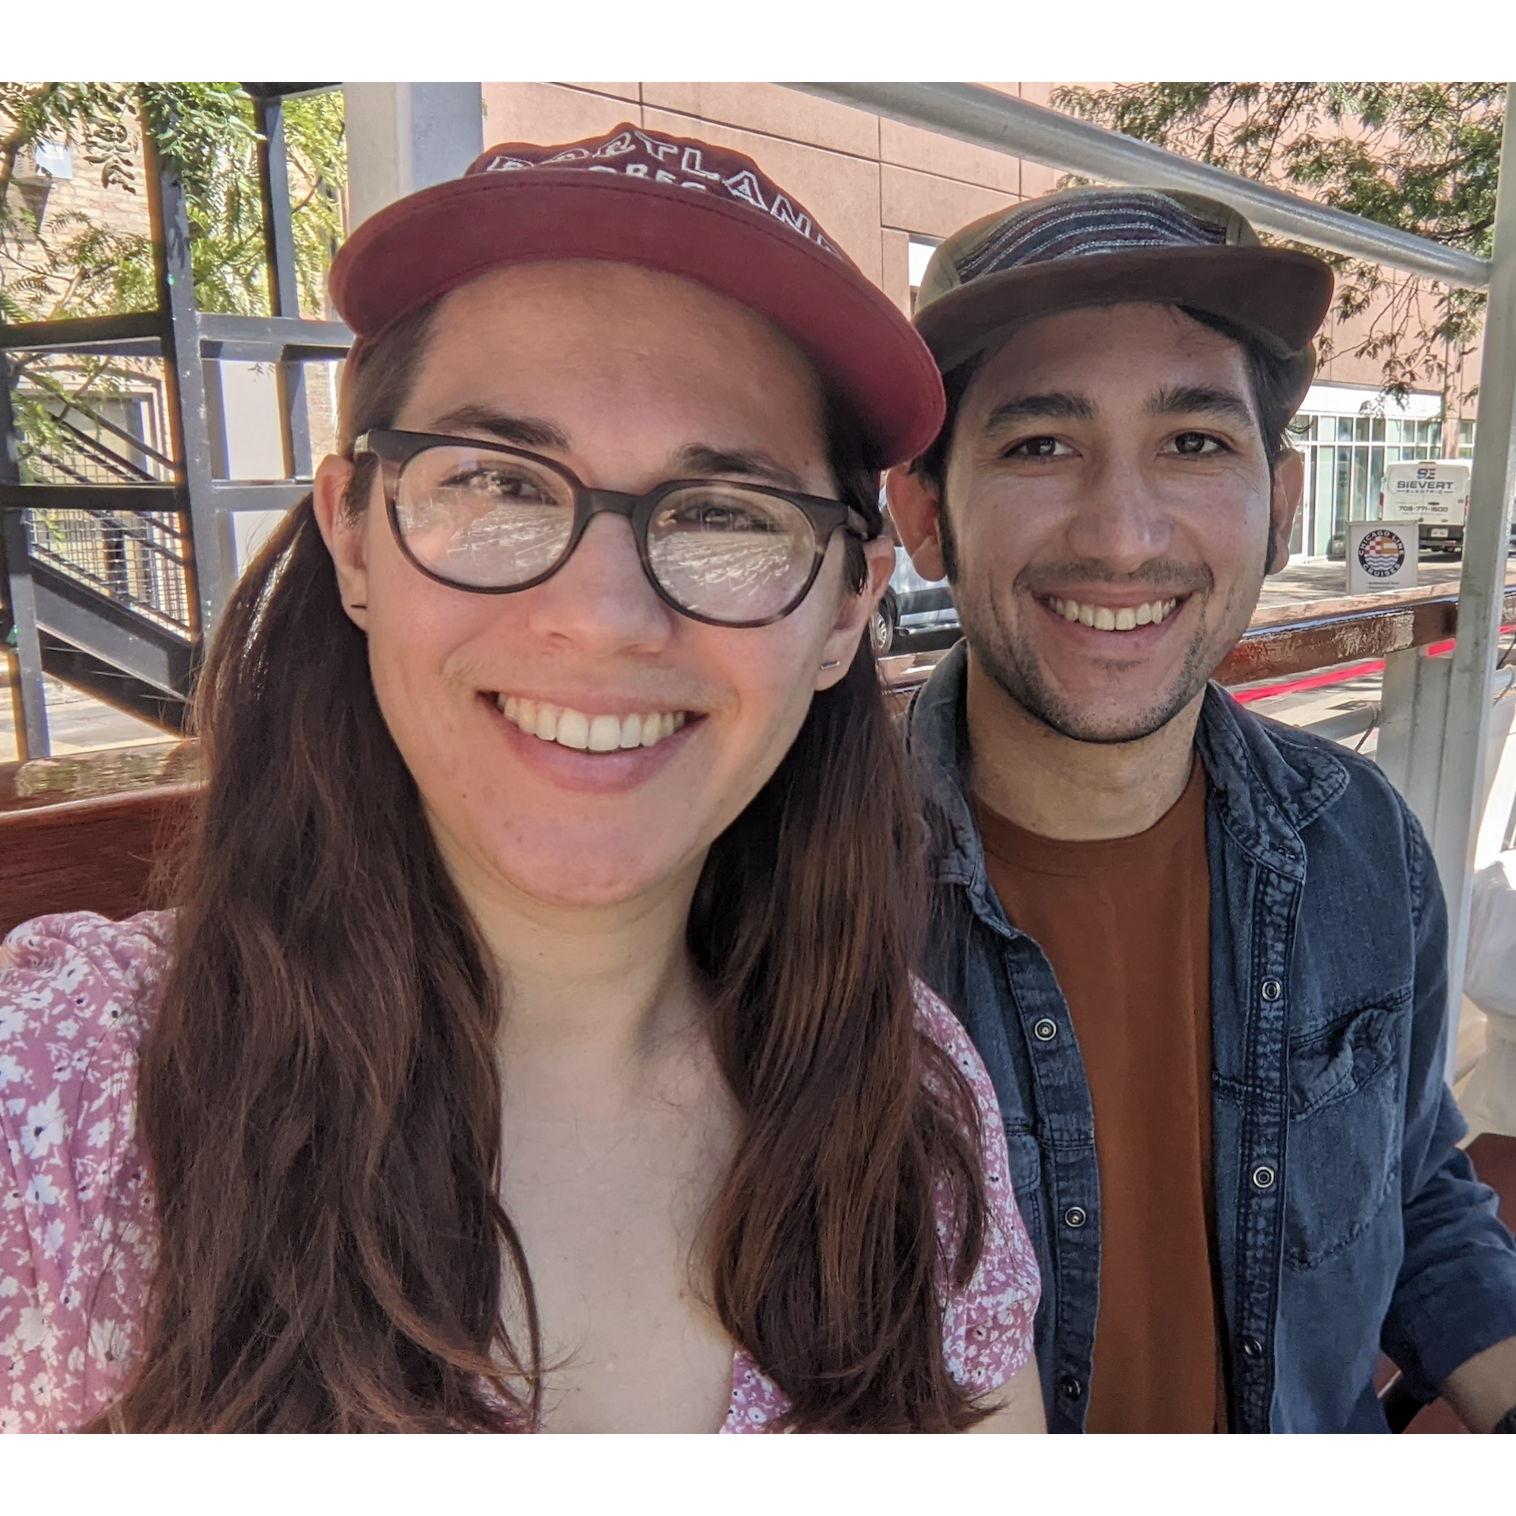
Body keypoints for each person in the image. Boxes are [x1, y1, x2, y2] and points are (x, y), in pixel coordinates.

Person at [0, 124, 1042, 1434]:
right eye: (495, 482)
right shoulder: (65, 1091)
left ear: (847, 608)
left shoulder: (905, 1102)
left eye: (724, 512)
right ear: (354, 537)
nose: (602, 616)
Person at [886, 185, 1516, 1434]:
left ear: (1281, 506)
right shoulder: (799, 899)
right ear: (921, 514)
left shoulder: (1361, 837)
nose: (1122, 536)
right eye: (1036, 444)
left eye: (1192, 443)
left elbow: (1411, 1181)